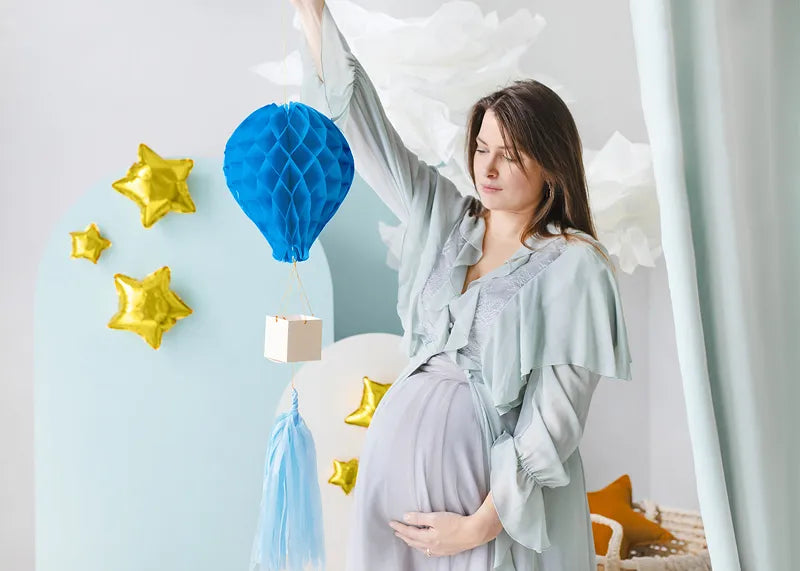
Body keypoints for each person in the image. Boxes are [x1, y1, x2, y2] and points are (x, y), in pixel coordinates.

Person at [291, 1, 633, 569]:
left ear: (552, 164)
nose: (488, 169)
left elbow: (556, 420)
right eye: (481, 149)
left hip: (486, 513)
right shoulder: (446, 219)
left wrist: (478, 525)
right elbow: (370, 133)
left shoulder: (577, 265)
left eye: (510, 155)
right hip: (390, 492)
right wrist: (312, 15)